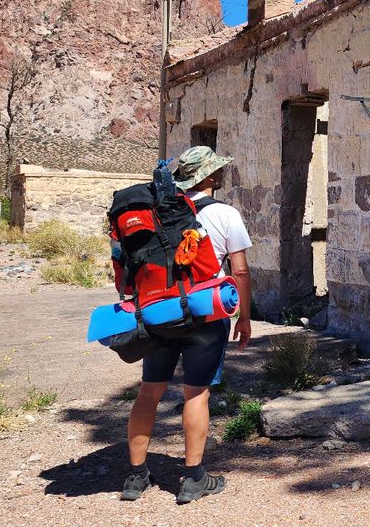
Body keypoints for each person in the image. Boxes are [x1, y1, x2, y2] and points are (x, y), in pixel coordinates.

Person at [121, 146, 253, 504]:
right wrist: (244, 316)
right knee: (196, 392)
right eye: (216, 171)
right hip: (205, 315)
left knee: (150, 390)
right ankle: (194, 478)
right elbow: (239, 270)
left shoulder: (154, 212)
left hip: (159, 314)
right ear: (208, 177)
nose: (220, 175)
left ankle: (135, 476)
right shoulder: (225, 214)